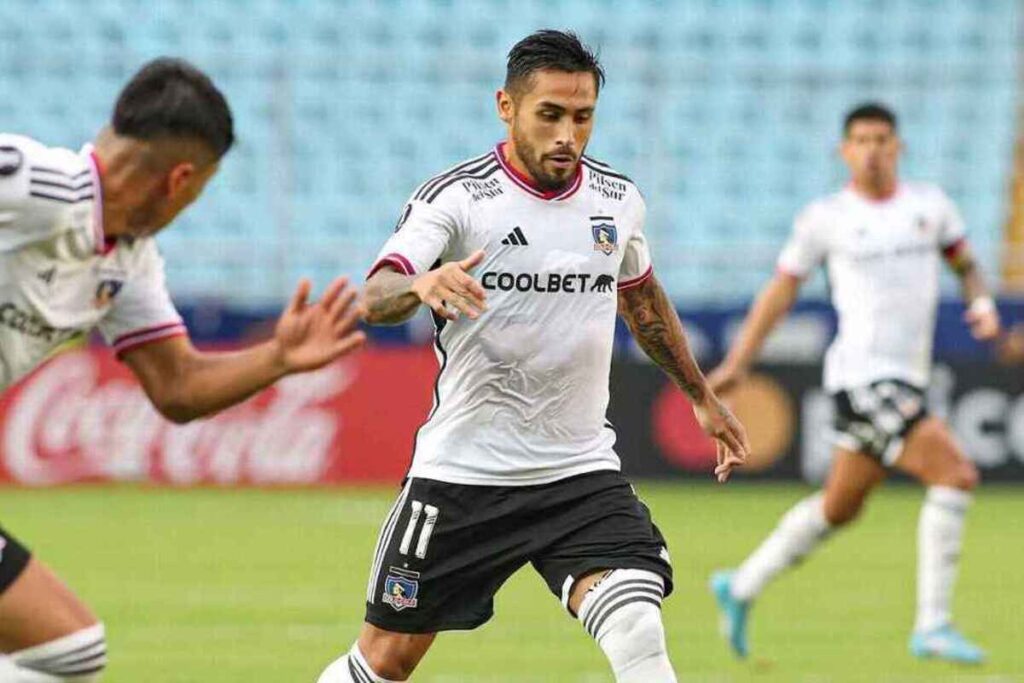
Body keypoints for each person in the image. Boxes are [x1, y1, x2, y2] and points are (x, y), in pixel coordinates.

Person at [316, 30, 750, 683]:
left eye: (583, 117)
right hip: (464, 475)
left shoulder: (616, 200)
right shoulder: (456, 199)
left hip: (576, 471)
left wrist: (700, 395)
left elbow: (644, 304)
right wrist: (420, 283)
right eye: (550, 114)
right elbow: (375, 295)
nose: (567, 135)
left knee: (637, 625)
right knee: (385, 661)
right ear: (506, 106)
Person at [0, 58, 366, 681]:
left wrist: (276, 357)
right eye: (201, 191)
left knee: (67, 651)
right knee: (68, 650)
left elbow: (178, 388)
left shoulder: (129, 263)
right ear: (180, 179)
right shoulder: (33, 181)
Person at [708, 103, 999, 665]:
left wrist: (982, 305)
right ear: (845, 150)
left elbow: (966, 264)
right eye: (860, 140)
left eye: (882, 139)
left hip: (907, 375)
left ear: (899, 148)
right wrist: (742, 359)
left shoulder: (930, 207)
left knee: (840, 507)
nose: (871, 150)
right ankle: (933, 625)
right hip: (861, 376)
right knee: (955, 473)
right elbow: (781, 291)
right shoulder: (826, 217)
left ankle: (740, 584)